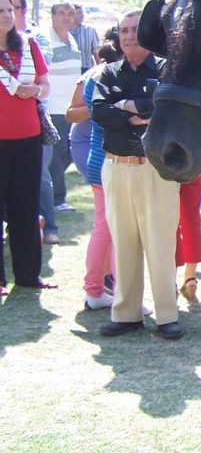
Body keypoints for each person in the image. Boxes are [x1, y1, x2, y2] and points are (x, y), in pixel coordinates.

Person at [92, 11, 182, 339]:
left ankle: (166, 315)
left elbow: (163, 107)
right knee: (123, 242)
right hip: (116, 167)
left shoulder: (166, 69)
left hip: (155, 169)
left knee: (160, 243)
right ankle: (126, 313)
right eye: (123, 30)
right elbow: (98, 111)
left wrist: (123, 105)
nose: (128, 36)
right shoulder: (108, 73)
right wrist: (136, 111)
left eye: (134, 29)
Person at [0, 0, 55, 294]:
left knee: (26, 207)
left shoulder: (29, 45)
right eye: (0, 10)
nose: (7, 15)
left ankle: (28, 275)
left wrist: (35, 89)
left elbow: (45, 84)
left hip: (28, 137)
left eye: (9, 9)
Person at [65, 31, 122, 309]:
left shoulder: (98, 77)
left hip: (102, 157)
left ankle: (102, 286)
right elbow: (73, 113)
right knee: (109, 228)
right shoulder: (97, 77)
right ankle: (101, 288)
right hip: (104, 158)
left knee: (108, 228)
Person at [46, 1, 81, 214]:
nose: (66, 17)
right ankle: (57, 200)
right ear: (53, 16)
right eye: (61, 13)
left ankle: (51, 192)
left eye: (70, 13)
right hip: (54, 108)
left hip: (72, 108)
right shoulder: (46, 40)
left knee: (70, 152)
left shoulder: (72, 40)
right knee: (57, 155)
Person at [176, 176, 201, 302]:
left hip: (167, 170)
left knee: (169, 223)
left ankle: (171, 282)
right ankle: (190, 277)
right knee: (192, 219)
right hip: (193, 169)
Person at [71, 3, 100, 73]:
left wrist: (100, 69)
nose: (82, 15)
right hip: (70, 69)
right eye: (79, 13)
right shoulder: (65, 31)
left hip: (86, 69)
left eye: (82, 12)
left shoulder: (90, 30)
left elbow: (96, 51)